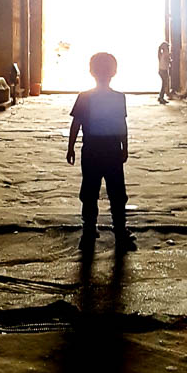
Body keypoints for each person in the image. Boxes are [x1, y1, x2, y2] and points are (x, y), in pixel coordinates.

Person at [66, 52, 135, 251]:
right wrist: (125, 147)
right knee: (117, 192)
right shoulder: (118, 98)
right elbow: (122, 125)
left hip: (91, 151)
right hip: (112, 150)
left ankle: (88, 232)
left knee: (89, 191)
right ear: (114, 72)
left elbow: (76, 124)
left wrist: (71, 147)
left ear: (91, 72)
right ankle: (120, 232)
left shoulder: (84, 97)